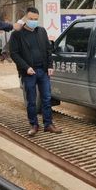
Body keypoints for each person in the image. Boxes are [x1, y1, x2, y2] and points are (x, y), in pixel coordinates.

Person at [9, 7, 62, 136]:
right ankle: (34, 125)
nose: (33, 21)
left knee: (47, 98)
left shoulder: (41, 31)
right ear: (25, 18)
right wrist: (26, 67)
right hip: (28, 72)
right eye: (31, 19)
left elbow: (48, 50)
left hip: (43, 71)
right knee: (31, 100)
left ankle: (48, 124)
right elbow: (14, 54)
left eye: (36, 19)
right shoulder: (17, 34)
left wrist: (50, 66)